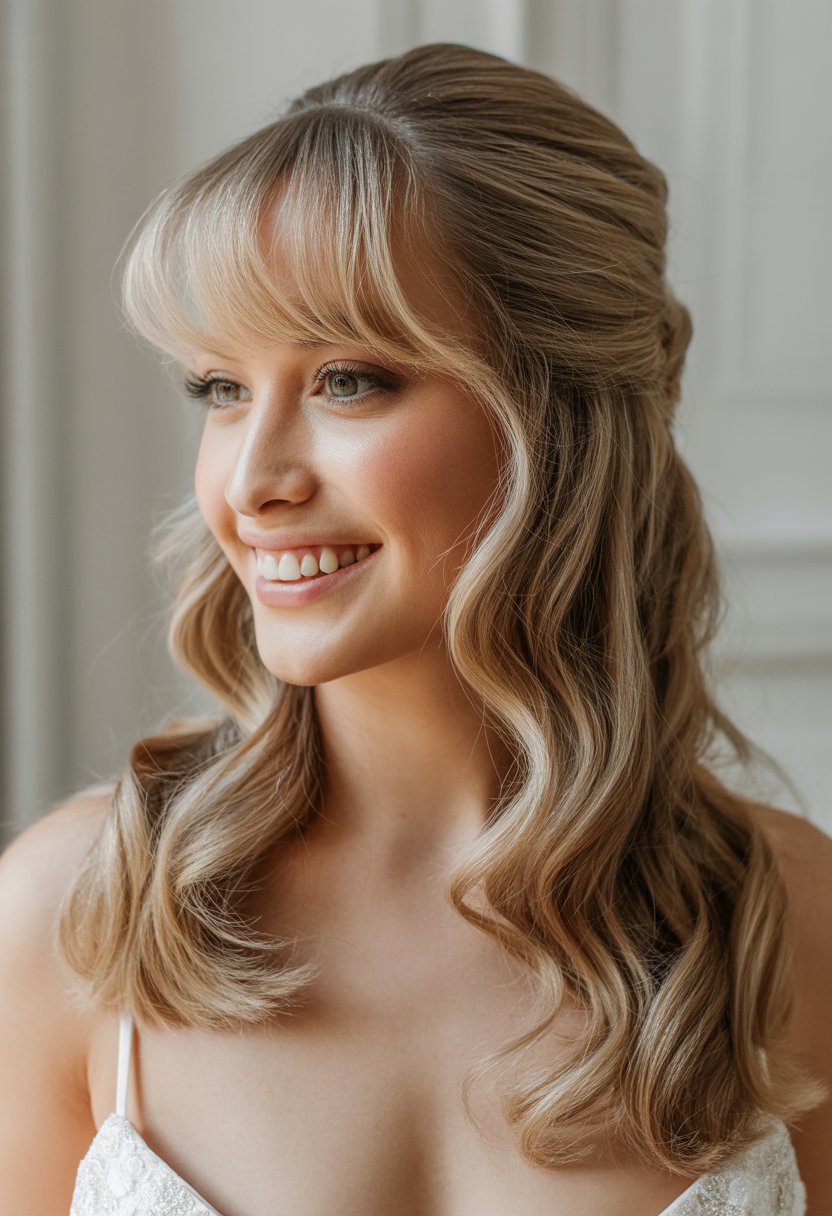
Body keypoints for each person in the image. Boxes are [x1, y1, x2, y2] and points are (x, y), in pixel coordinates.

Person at [0, 40, 829, 1216]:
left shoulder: (791, 927)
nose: (251, 479)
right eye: (221, 388)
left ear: (562, 412)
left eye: (347, 379)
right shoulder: (72, 920)